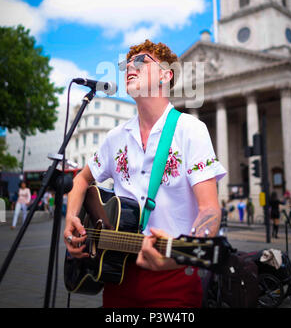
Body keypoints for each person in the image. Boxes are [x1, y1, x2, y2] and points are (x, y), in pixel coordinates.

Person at [64, 39, 227, 308]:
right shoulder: (115, 137)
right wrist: (72, 218)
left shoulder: (190, 130)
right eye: (127, 64)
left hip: (173, 281)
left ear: (165, 74)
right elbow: (80, 179)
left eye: (141, 61)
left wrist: (180, 255)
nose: (130, 66)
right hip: (117, 280)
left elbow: (209, 209)